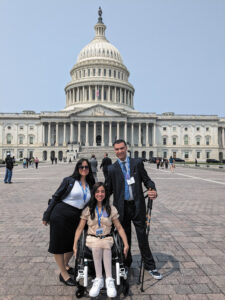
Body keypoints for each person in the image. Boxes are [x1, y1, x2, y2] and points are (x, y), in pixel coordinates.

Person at [106, 139, 162, 280]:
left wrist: (152, 189)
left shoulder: (137, 163)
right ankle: (126, 264)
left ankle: (150, 266)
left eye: (122, 148)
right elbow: (108, 190)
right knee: (125, 239)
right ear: (114, 151)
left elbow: (147, 180)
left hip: (137, 206)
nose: (119, 151)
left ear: (126, 148)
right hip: (121, 208)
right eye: (117, 149)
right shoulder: (112, 169)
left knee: (142, 236)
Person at [42, 158, 95, 286]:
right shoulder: (69, 181)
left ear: (89, 169)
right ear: (77, 168)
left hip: (76, 216)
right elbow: (56, 197)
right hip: (61, 213)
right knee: (59, 244)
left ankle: (65, 265)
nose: (84, 169)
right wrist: (46, 214)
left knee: (73, 243)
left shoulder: (90, 184)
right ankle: (63, 275)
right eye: (81, 167)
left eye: (86, 167)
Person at [73, 182, 129, 298]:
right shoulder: (88, 210)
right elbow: (79, 228)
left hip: (106, 238)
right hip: (92, 239)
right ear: (94, 194)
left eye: (102, 191)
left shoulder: (111, 209)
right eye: (97, 192)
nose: (100, 194)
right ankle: (101, 278)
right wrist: (74, 245)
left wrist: (126, 244)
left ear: (106, 194)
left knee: (104, 244)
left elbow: (119, 227)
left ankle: (106, 279)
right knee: (98, 245)